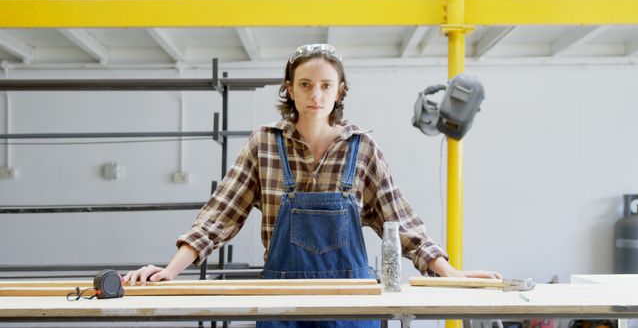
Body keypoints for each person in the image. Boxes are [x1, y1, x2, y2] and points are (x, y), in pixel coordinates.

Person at [124, 43, 501, 328]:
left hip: (353, 306)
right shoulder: (264, 144)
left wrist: (451, 274)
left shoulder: (362, 148)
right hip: (282, 304)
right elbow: (219, 216)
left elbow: (401, 225)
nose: (315, 95)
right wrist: (170, 270)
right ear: (290, 89)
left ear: (340, 90)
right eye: (305, 84)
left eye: (325, 85)